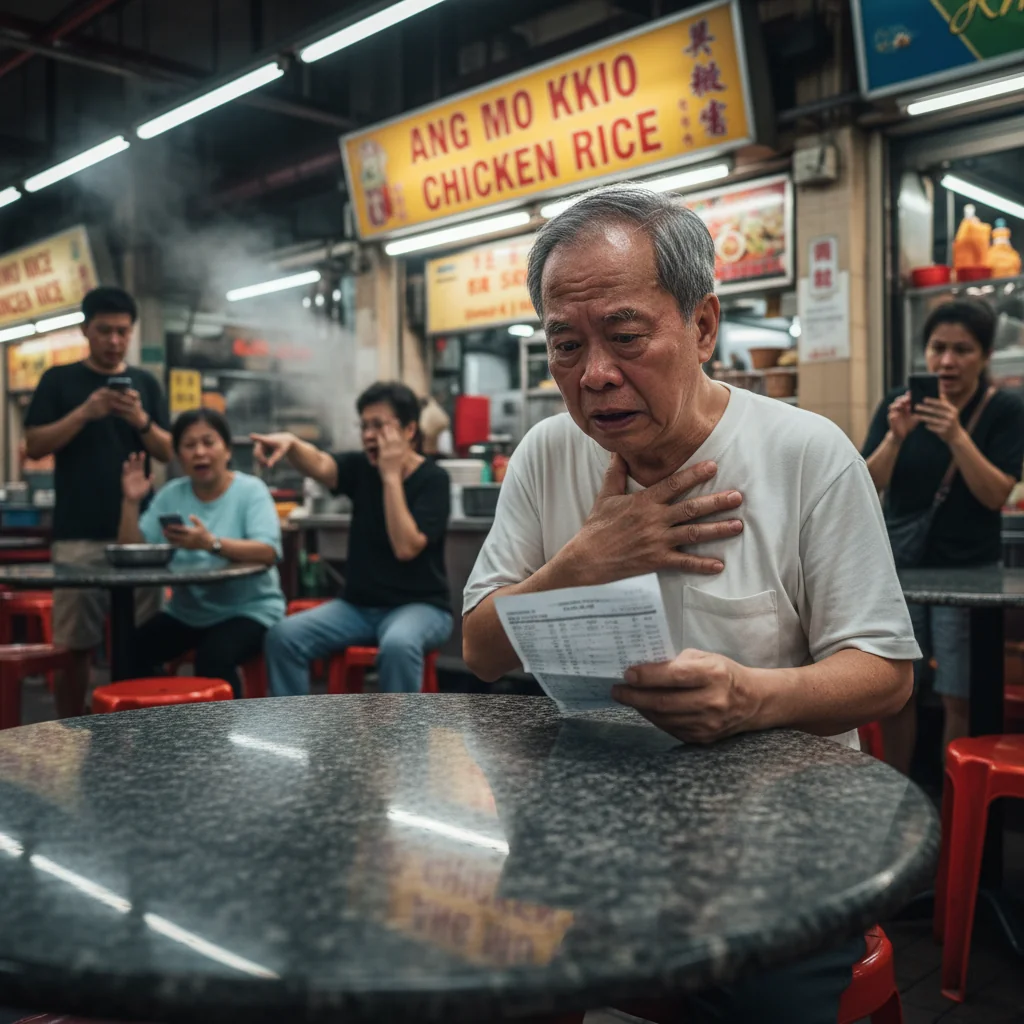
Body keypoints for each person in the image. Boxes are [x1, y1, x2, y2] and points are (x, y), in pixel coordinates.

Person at [462, 186, 919, 1024]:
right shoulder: (546, 454)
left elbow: (886, 674)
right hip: (594, 814)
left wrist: (752, 698)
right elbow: (481, 651)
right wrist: (584, 562)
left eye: (626, 336)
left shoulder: (807, 456)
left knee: (765, 1001)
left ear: (703, 325)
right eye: (566, 345)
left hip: (785, 829)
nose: (595, 374)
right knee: (494, 974)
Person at [863, 299, 1024, 771]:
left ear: (986, 355)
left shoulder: (1004, 409)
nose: (947, 361)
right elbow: (866, 483)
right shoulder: (899, 403)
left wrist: (956, 435)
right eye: (938, 348)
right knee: (897, 690)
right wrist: (895, 436)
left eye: (963, 350)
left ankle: (951, 798)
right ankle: (898, 793)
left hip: (968, 572)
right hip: (902, 572)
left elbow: (995, 494)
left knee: (959, 694)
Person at [24, 286, 172, 717]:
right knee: (75, 646)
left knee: (146, 638)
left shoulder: (145, 383)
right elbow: (34, 445)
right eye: (104, 330)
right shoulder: (59, 380)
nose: (114, 341)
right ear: (85, 330)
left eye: (122, 332)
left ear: (132, 332)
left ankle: (143, 729)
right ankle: (70, 732)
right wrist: (85, 413)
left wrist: (140, 420)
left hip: (140, 533)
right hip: (78, 532)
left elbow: (167, 451)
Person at [257, 381, 453, 695]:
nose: (368, 435)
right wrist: (291, 444)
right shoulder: (361, 467)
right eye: (364, 426)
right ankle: (292, 725)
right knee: (283, 637)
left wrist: (390, 476)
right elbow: (321, 464)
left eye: (379, 425)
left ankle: (403, 730)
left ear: (409, 430)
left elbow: (406, 547)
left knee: (399, 645)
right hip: (358, 609)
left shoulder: (434, 479)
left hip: (421, 607)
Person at [117, 408, 284, 695]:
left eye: (209, 442)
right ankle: (155, 718)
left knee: (213, 658)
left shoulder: (251, 491)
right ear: (179, 456)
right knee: (131, 650)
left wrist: (210, 543)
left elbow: (268, 551)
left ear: (227, 450)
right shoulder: (172, 494)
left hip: (250, 610)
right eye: (189, 445)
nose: (200, 452)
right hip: (188, 613)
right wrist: (131, 502)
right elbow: (132, 550)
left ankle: (226, 726)